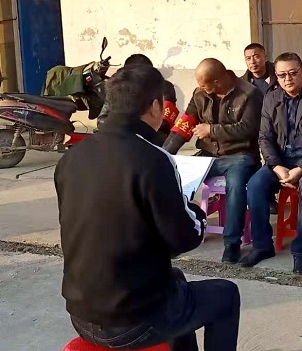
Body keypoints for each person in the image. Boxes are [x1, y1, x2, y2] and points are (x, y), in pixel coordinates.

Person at [55, 66, 240, 351]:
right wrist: (196, 211)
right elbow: (185, 239)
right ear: (155, 107)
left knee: (177, 282)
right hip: (133, 321)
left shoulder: (72, 158)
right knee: (226, 295)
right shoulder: (153, 159)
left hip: (81, 312)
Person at [241, 52, 302, 275]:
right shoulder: (271, 98)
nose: (288, 79)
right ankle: (262, 246)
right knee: (255, 184)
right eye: (282, 75)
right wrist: (276, 166)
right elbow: (264, 138)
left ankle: (300, 251)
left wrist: (300, 168)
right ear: (276, 76)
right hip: (281, 161)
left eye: (293, 73)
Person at [164, 58, 263, 264]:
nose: (201, 89)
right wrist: (164, 154)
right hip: (208, 154)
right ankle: (176, 235)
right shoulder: (200, 94)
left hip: (240, 155)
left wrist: (212, 130)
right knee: (173, 176)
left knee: (235, 187)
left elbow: (249, 129)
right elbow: (185, 123)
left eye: (204, 85)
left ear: (217, 82)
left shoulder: (249, 94)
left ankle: (232, 243)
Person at [96, 53, 179, 145]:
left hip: (152, 141)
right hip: (118, 139)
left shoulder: (164, 88)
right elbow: (101, 120)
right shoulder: (119, 88)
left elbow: (165, 124)